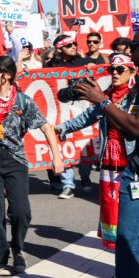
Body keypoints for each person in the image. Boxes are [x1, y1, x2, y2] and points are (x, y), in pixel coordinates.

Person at [75, 25, 139, 278]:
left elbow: (136, 127)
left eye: (137, 43)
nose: (131, 47)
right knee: (126, 241)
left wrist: (101, 100)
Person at [57, 55, 139, 278]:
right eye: (112, 69)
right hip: (110, 163)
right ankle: (126, 264)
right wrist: (63, 128)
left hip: (135, 161)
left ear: (131, 72)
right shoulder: (105, 97)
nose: (115, 73)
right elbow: (88, 117)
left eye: (120, 69)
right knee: (115, 213)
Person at [0, 55, 64, 275]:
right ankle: (0, 257)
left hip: (15, 159)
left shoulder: (23, 101)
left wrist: (56, 157)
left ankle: (18, 249)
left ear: (8, 75)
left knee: (21, 211)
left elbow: (46, 127)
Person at [45, 34, 91, 198]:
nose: (73, 46)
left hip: (84, 112)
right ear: (59, 49)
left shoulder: (84, 63)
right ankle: (68, 185)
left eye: (74, 44)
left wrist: (95, 68)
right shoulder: (50, 66)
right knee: (64, 147)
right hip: (61, 113)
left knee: (84, 147)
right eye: (68, 45)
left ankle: (85, 177)